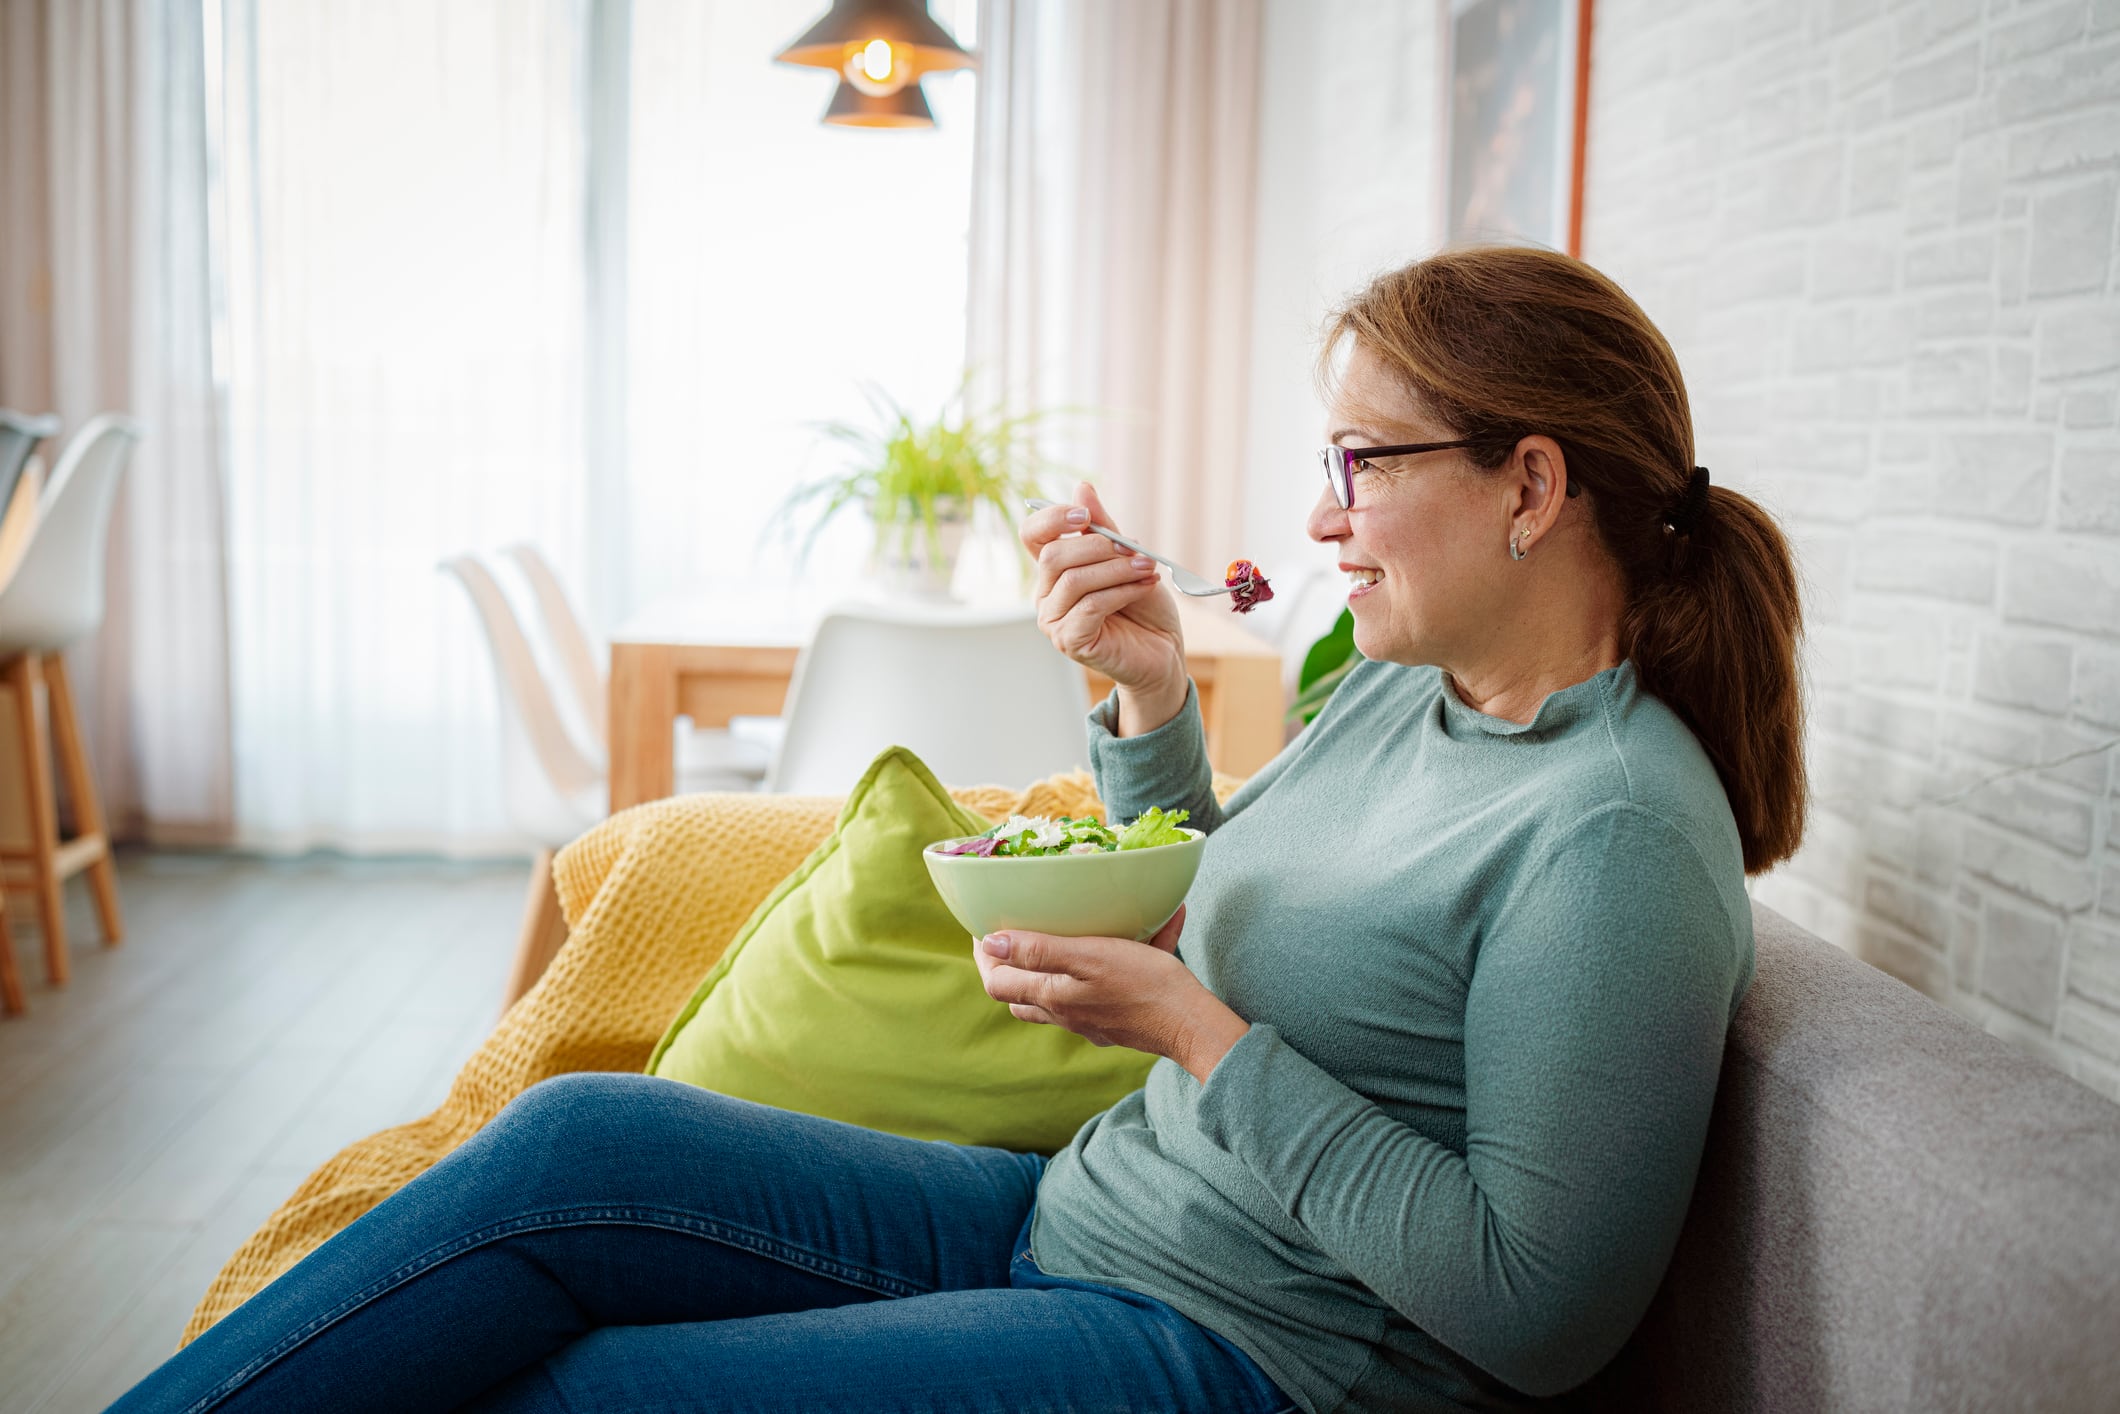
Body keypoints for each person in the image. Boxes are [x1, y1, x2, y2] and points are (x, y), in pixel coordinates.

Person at [109, 244, 1804, 1413]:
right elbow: (1209, 900)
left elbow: (1542, 1308)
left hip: (1251, 1352)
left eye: (1362, 461)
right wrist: (1143, 698)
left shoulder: (1615, 835)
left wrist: (1199, 1039)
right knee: (575, 1141)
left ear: (1531, 484)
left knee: (555, 1390)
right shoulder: (1393, 688)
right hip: (1083, 1211)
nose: (1321, 514)